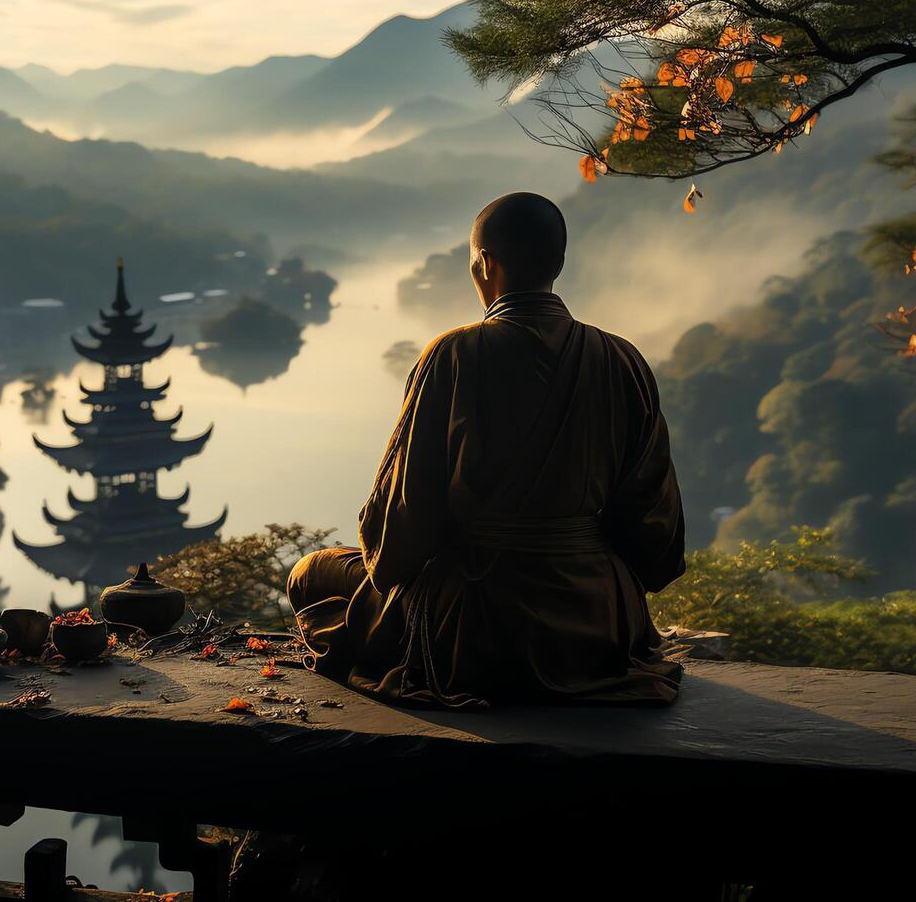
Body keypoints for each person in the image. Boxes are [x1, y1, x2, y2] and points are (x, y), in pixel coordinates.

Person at [288, 192, 686, 707]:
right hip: (599, 626)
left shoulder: (454, 355)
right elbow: (656, 531)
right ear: (558, 264)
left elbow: (402, 527)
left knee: (311, 572)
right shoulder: (622, 358)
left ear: (484, 263)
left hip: (475, 622)